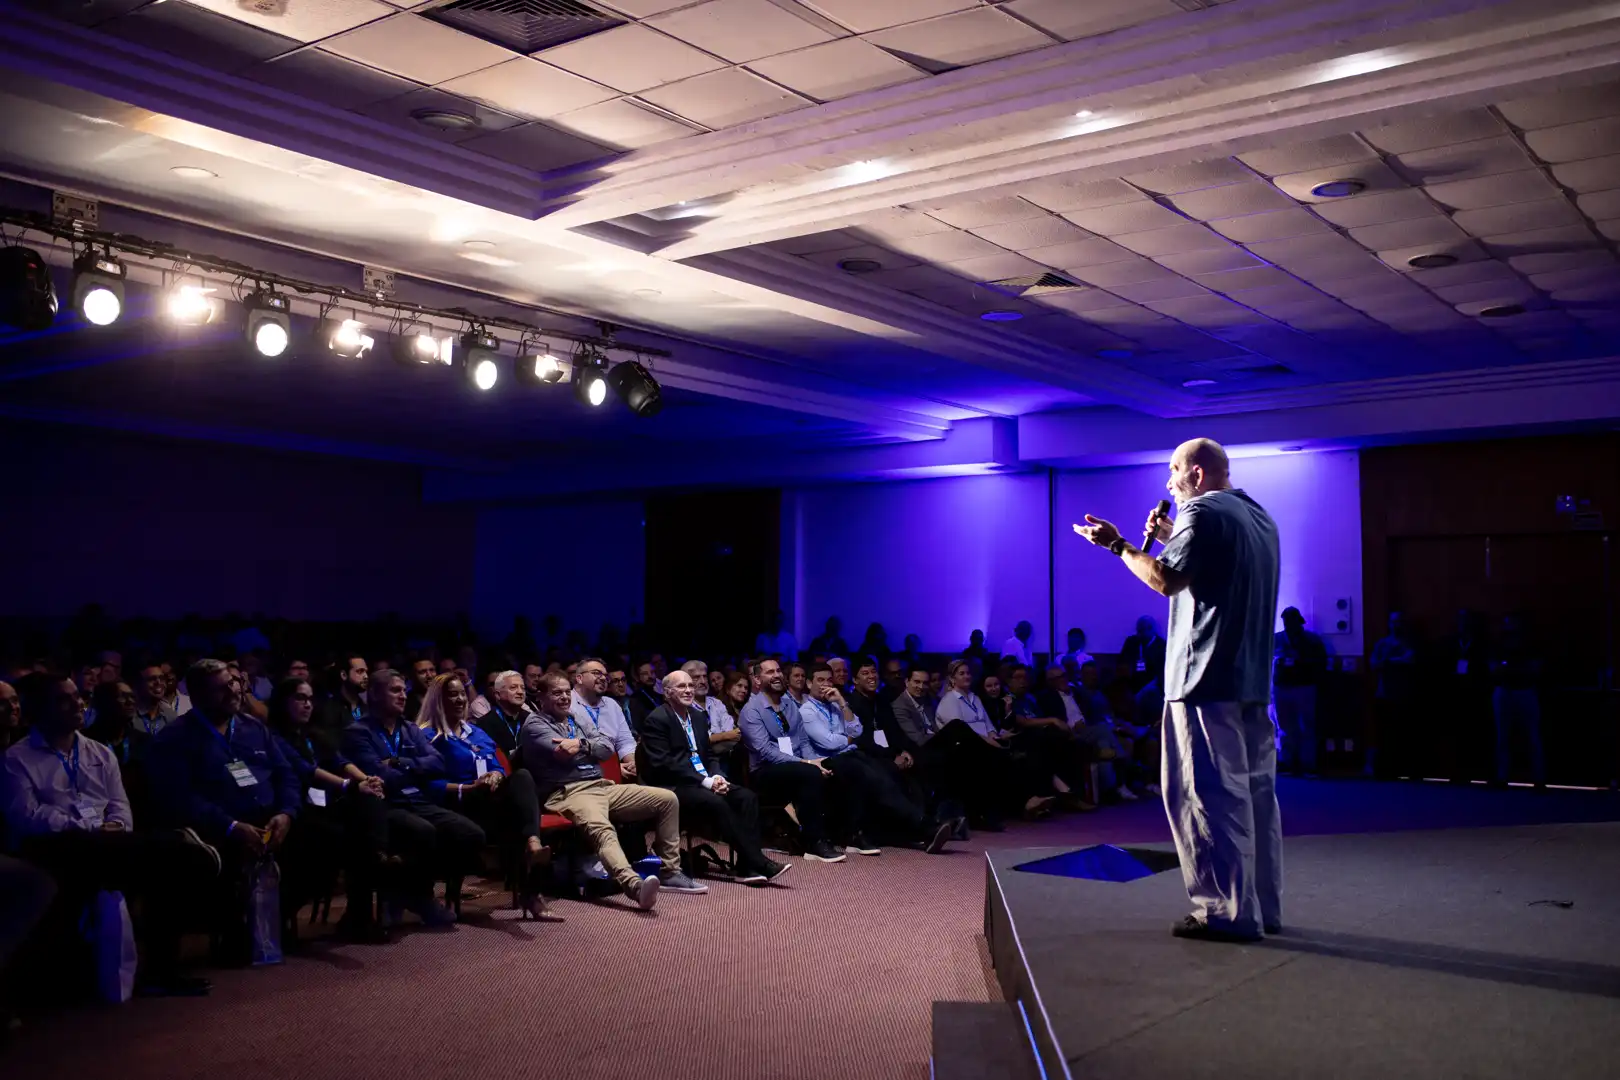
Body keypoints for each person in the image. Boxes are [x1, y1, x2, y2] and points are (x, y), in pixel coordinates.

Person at [1074, 436, 1282, 943]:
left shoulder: (1202, 512)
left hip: (1203, 681)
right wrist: (1171, 535)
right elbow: (1212, 569)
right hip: (1251, 683)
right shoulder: (1259, 518)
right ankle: (1262, 907)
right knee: (1256, 799)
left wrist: (1118, 545)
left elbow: (1166, 580)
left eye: (1173, 471)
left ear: (1197, 474)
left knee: (1207, 798)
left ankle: (1224, 912)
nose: (1168, 483)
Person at [3, 676, 218, 997]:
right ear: (41, 710)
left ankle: (161, 971)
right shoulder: (16, 759)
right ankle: (177, 843)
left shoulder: (99, 752)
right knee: (156, 854)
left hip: (108, 844)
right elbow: (27, 816)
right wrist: (85, 827)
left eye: (78, 696)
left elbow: (119, 804)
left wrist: (117, 825)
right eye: (64, 700)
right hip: (54, 845)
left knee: (163, 868)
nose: (78, 703)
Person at [147, 657, 306, 965]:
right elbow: (179, 798)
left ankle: (274, 924)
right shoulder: (175, 738)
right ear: (197, 695)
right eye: (221, 688)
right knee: (207, 858)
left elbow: (286, 774)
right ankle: (236, 930)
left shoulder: (253, 727)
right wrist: (230, 826)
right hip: (215, 828)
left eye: (233, 683)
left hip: (270, 821)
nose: (234, 691)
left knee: (325, 840)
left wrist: (287, 813)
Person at [520, 673, 700, 909]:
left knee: (667, 799)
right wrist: (589, 749)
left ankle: (669, 871)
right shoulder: (535, 724)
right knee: (603, 830)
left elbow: (607, 747)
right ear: (541, 697)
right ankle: (634, 885)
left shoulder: (576, 718)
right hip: (569, 792)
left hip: (601, 785)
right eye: (556, 693)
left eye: (566, 692)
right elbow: (563, 754)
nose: (564, 697)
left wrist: (581, 745)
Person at [340, 670, 478, 926]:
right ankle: (419, 896)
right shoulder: (358, 732)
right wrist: (414, 771)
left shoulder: (410, 729)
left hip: (417, 801)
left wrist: (398, 762)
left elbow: (438, 763)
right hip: (384, 805)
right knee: (423, 832)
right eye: (395, 690)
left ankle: (405, 891)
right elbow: (379, 775)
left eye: (404, 690)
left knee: (470, 834)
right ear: (375, 695)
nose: (403, 695)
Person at [265, 677, 392, 944]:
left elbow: (340, 761)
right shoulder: (273, 736)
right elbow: (306, 770)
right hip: (297, 809)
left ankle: (362, 905)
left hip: (325, 805)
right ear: (283, 702)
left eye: (310, 699)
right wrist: (351, 786)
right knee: (347, 842)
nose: (307, 704)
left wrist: (366, 780)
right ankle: (280, 916)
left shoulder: (313, 734)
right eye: (300, 698)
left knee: (368, 811)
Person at [420, 674, 556, 921]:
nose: (460, 699)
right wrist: (467, 788)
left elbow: (497, 765)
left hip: (487, 800)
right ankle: (532, 891)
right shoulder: (428, 736)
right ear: (438, 700)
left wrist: (495, 774)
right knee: (519, 817)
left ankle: (533, 845)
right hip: (456, 804)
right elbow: (426, 783)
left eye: (462, 693)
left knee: (522, 777)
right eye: (452, 694)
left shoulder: (476, 732)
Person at [640, 670, 790, 884]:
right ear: (667, 692)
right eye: (682, 686)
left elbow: (709, 755)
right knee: (716, 802)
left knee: (747, 797)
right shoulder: (657, 720)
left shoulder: (698, 717)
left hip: (704, 780)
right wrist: (705, 781)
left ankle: (745, 867)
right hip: (674, 785)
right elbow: (665, 764)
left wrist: (717, 775)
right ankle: (758, 861)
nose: (689, 690)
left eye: (690, 686)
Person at [799, 662, 954, 855]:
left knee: (887, 775)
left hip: (850, 754)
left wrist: (841, 702)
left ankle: (915, 830)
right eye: (820, 680)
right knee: (876, 779)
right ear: (809, 683)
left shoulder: (835, 705)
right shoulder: (807, 711)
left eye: (829, 680)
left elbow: (857, 729)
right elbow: (830, 743)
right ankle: (924, 825)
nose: (826, 685)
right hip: (827, 760)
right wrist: (849, 738)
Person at [738, 658, 845, 863]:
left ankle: (847, 832)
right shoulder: (751, 710)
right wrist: (806, 764)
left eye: (778, 671)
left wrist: (816, 761)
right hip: (765, 772)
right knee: (808, 773)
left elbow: (803, 741)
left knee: (838, 765)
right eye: (770, 672)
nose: (776, 675)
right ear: (757, 680)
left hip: (797, 765)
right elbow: (765, 751)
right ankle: (814, 842)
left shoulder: (789, 705)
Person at [1272, 608, 1328, 777]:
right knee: (1285, 726)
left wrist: (1302, 660)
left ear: (1299, 621)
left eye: (1291, 621)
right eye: (1286, 621)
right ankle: (1289, 762)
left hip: (1304, 686)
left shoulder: (1312, 640)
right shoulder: (1277, 639)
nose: (1288, 624)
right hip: (1283, 686)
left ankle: (1308, 764)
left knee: (1307, 725)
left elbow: (1322, 662)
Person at [1491, 613, 1545, 788]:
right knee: (1503, 736)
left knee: (1532, 736)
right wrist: (1519, 669)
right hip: (1505, 690)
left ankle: (1538, 778)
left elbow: (1535, 669)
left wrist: (1508, 668)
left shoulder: (1531, 644)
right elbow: (1494, 669)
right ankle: (1502, 777)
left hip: (1525, 690)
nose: (1510, 627)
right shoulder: (1499, 644)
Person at [1370, 612, 1420, 780]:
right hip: (1384, 693)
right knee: (1386, 733)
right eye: (1393, 621)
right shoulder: (1382, 644)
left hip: (1404, 694)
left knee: (1405, 733)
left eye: (1399, 621)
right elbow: (1374, 664)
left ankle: (1405, 769)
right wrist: (1394, 661)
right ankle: (1387, 770)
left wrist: (1389, 661)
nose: (1396, 624)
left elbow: (1410, 660)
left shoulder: (1410, 643)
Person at [571, 661, 638, 780]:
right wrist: (612, 767)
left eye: (605, 676)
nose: (603, 678)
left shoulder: (612, 704)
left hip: (618, 770)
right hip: (581, 774)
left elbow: (625, 741)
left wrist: (632, 763)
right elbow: (572, 748)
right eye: (596, 673)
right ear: (579, 678)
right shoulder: (567, 703)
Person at [318, 656, 370, 730]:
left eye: (366, 672)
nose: (366, 676)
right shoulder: (329, 709)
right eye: (360, 671)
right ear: (344, 675)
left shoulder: (366, 708)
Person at [1119, 616, 1168, 691]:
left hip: (1153, 686)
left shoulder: (1162, 646)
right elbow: (1122, 662)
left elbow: (1161, 674)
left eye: (1141, 631)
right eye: (1137, 631)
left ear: (1151, 629)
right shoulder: (1131, 642)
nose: (1138, 634)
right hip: (1132, 683)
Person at [132, 664, 177, 736]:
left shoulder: (171, 717)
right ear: (139, 684)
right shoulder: (130, 717)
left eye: (161, 678)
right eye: (152, 679)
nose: (158, 682)